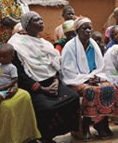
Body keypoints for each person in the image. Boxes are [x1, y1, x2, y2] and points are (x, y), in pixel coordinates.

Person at [9, 11, 80, 143]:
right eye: (36, 20)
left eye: (41, 18)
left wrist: (56, 82)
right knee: (46, 107)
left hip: (51, 81)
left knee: (73, 98)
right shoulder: (17, 45)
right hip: (34, 85)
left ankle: (61, 132)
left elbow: (55, 66)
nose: (41, 21)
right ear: (27, 25)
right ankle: (44, 137)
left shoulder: (45, 44)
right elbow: (20, 74)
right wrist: (42, 89)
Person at [61, 17, 118, 140]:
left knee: (110, 87)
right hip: (75, 80)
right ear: (77, 30)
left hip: (93, 78)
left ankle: (102, 125)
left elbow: (101, 67)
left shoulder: (94, 45)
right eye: (84, 28)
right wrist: (86, 79)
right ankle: (85, 127)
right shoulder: (70, 47)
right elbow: (68, 71)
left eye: (90, 28)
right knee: (90, 90)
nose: (88, 31)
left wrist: (97, 77)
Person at [0, 18, 40, 143]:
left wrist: (14, 86)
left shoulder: (1, 48)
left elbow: (13, 72)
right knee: (7, 107)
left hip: (5, 86)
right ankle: (6, 140)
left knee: (25, 96)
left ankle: (28, 137)